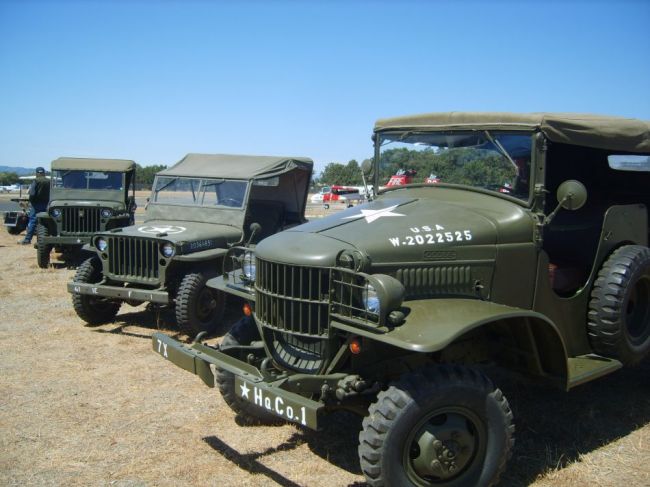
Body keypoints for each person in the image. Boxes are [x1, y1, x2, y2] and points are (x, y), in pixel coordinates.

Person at [18, 167, 50, 244]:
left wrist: (31, 201)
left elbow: (32, 193)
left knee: (32, 221)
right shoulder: (49, 181)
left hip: (36, 204)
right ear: (44, 173)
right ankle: (43, 241)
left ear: (36, 173)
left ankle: (27, 240)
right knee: (45, 223)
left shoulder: (36, 181)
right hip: (46, 204)